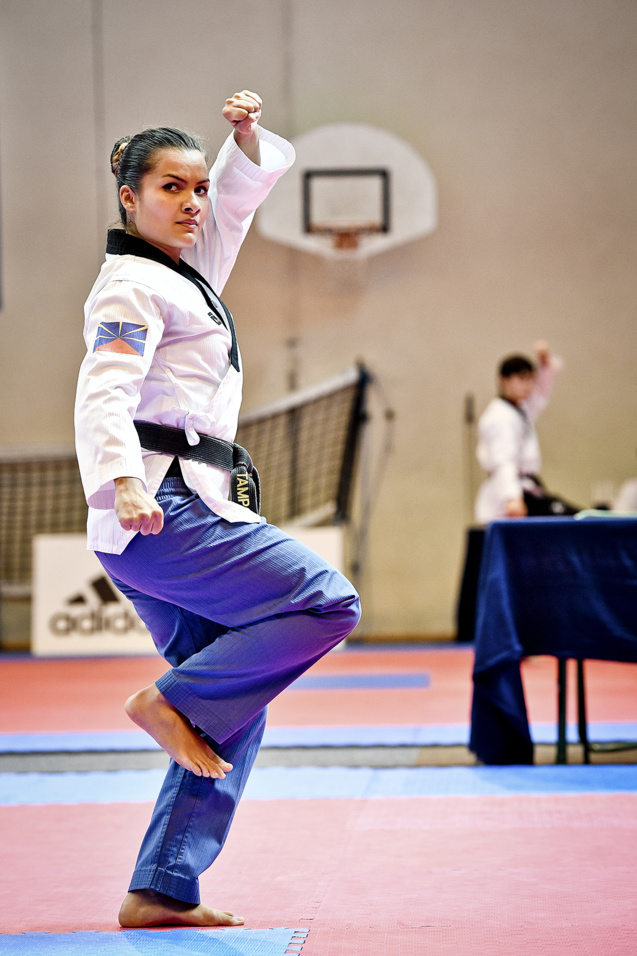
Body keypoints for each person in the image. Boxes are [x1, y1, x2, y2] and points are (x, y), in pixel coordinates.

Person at [74, 90, 361, 929]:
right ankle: (168, 702)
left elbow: (232, 211)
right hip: (156, 509)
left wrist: (241, 144)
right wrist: (124, 480)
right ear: (129, 197)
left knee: (233, 704)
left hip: (165, 515)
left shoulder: (184, 274)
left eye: (198, 187)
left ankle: (160, 889)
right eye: (171, 188)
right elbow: (106, 390)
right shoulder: (129, 285)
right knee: (324, 600)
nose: (193, 203)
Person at [474, 341, 579, 523]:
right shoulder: (500, 417)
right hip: (510, 494)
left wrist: (545, 366)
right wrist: (512, 497)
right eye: (521, 379)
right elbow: (504, 461)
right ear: (504, 381)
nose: (527, 385)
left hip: (526, 488)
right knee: (569, 521)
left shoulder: (519, 410)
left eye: (530, 379)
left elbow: (539, 396)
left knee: (573, 517)